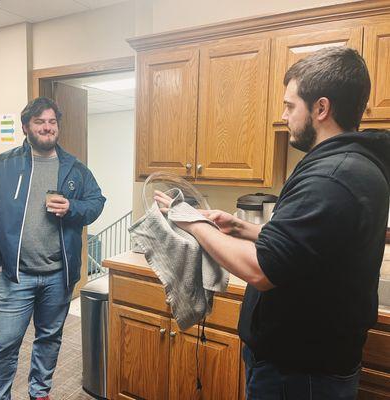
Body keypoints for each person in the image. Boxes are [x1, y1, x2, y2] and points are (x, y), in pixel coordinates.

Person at [155, 47, 390, 399]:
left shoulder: (331, 177)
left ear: (321, 108)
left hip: (299, 374)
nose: (283, 117)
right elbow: (308, 246)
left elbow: (261, 270)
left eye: (290, 106)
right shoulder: (350, 165)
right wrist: (240, 227)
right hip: (309, 365)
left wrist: (191, 223)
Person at [0, 96, 105, 400]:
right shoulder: (2, 166)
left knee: (49, 339)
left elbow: (96, 203)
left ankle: (39, 392)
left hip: (58, 276)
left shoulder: (74, 168)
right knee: (4, 345)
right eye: (39, 122)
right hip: (14, 276)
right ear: (25, 127)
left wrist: (72, 206)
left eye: (52, 122)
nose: (47, 128)